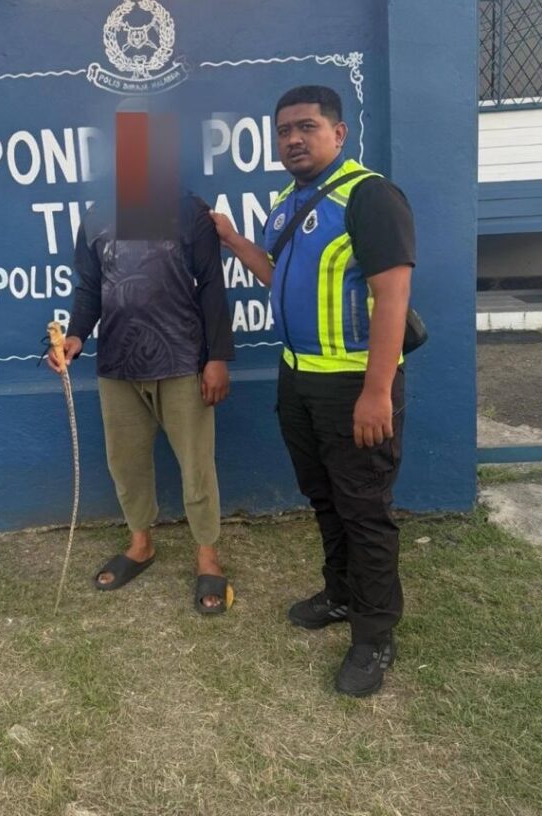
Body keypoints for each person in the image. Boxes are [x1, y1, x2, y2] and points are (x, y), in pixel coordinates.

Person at [211, 85, 415, 695]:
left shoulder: (369, 196)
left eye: (307, 127)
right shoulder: (287, 203)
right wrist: (234, 240)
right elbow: (278, 278)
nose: (293, 140)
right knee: (324, 497)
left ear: (338, 133)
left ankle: (374, 635)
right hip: (298, 379)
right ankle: (342, 594)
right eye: (284, 131)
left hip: (355, 384)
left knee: (365, 510)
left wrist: (377, 391)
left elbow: (392, 297)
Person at [48, 188, 235, 615]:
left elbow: (211, 283)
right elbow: (90, 287)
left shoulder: (189, 209)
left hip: (182, 359)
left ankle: (207, 555)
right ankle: (141, 544)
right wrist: (76, 335)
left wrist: (218, 358)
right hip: (118, 362)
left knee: (196, 464)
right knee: (125, 462)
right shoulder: (96, 216)